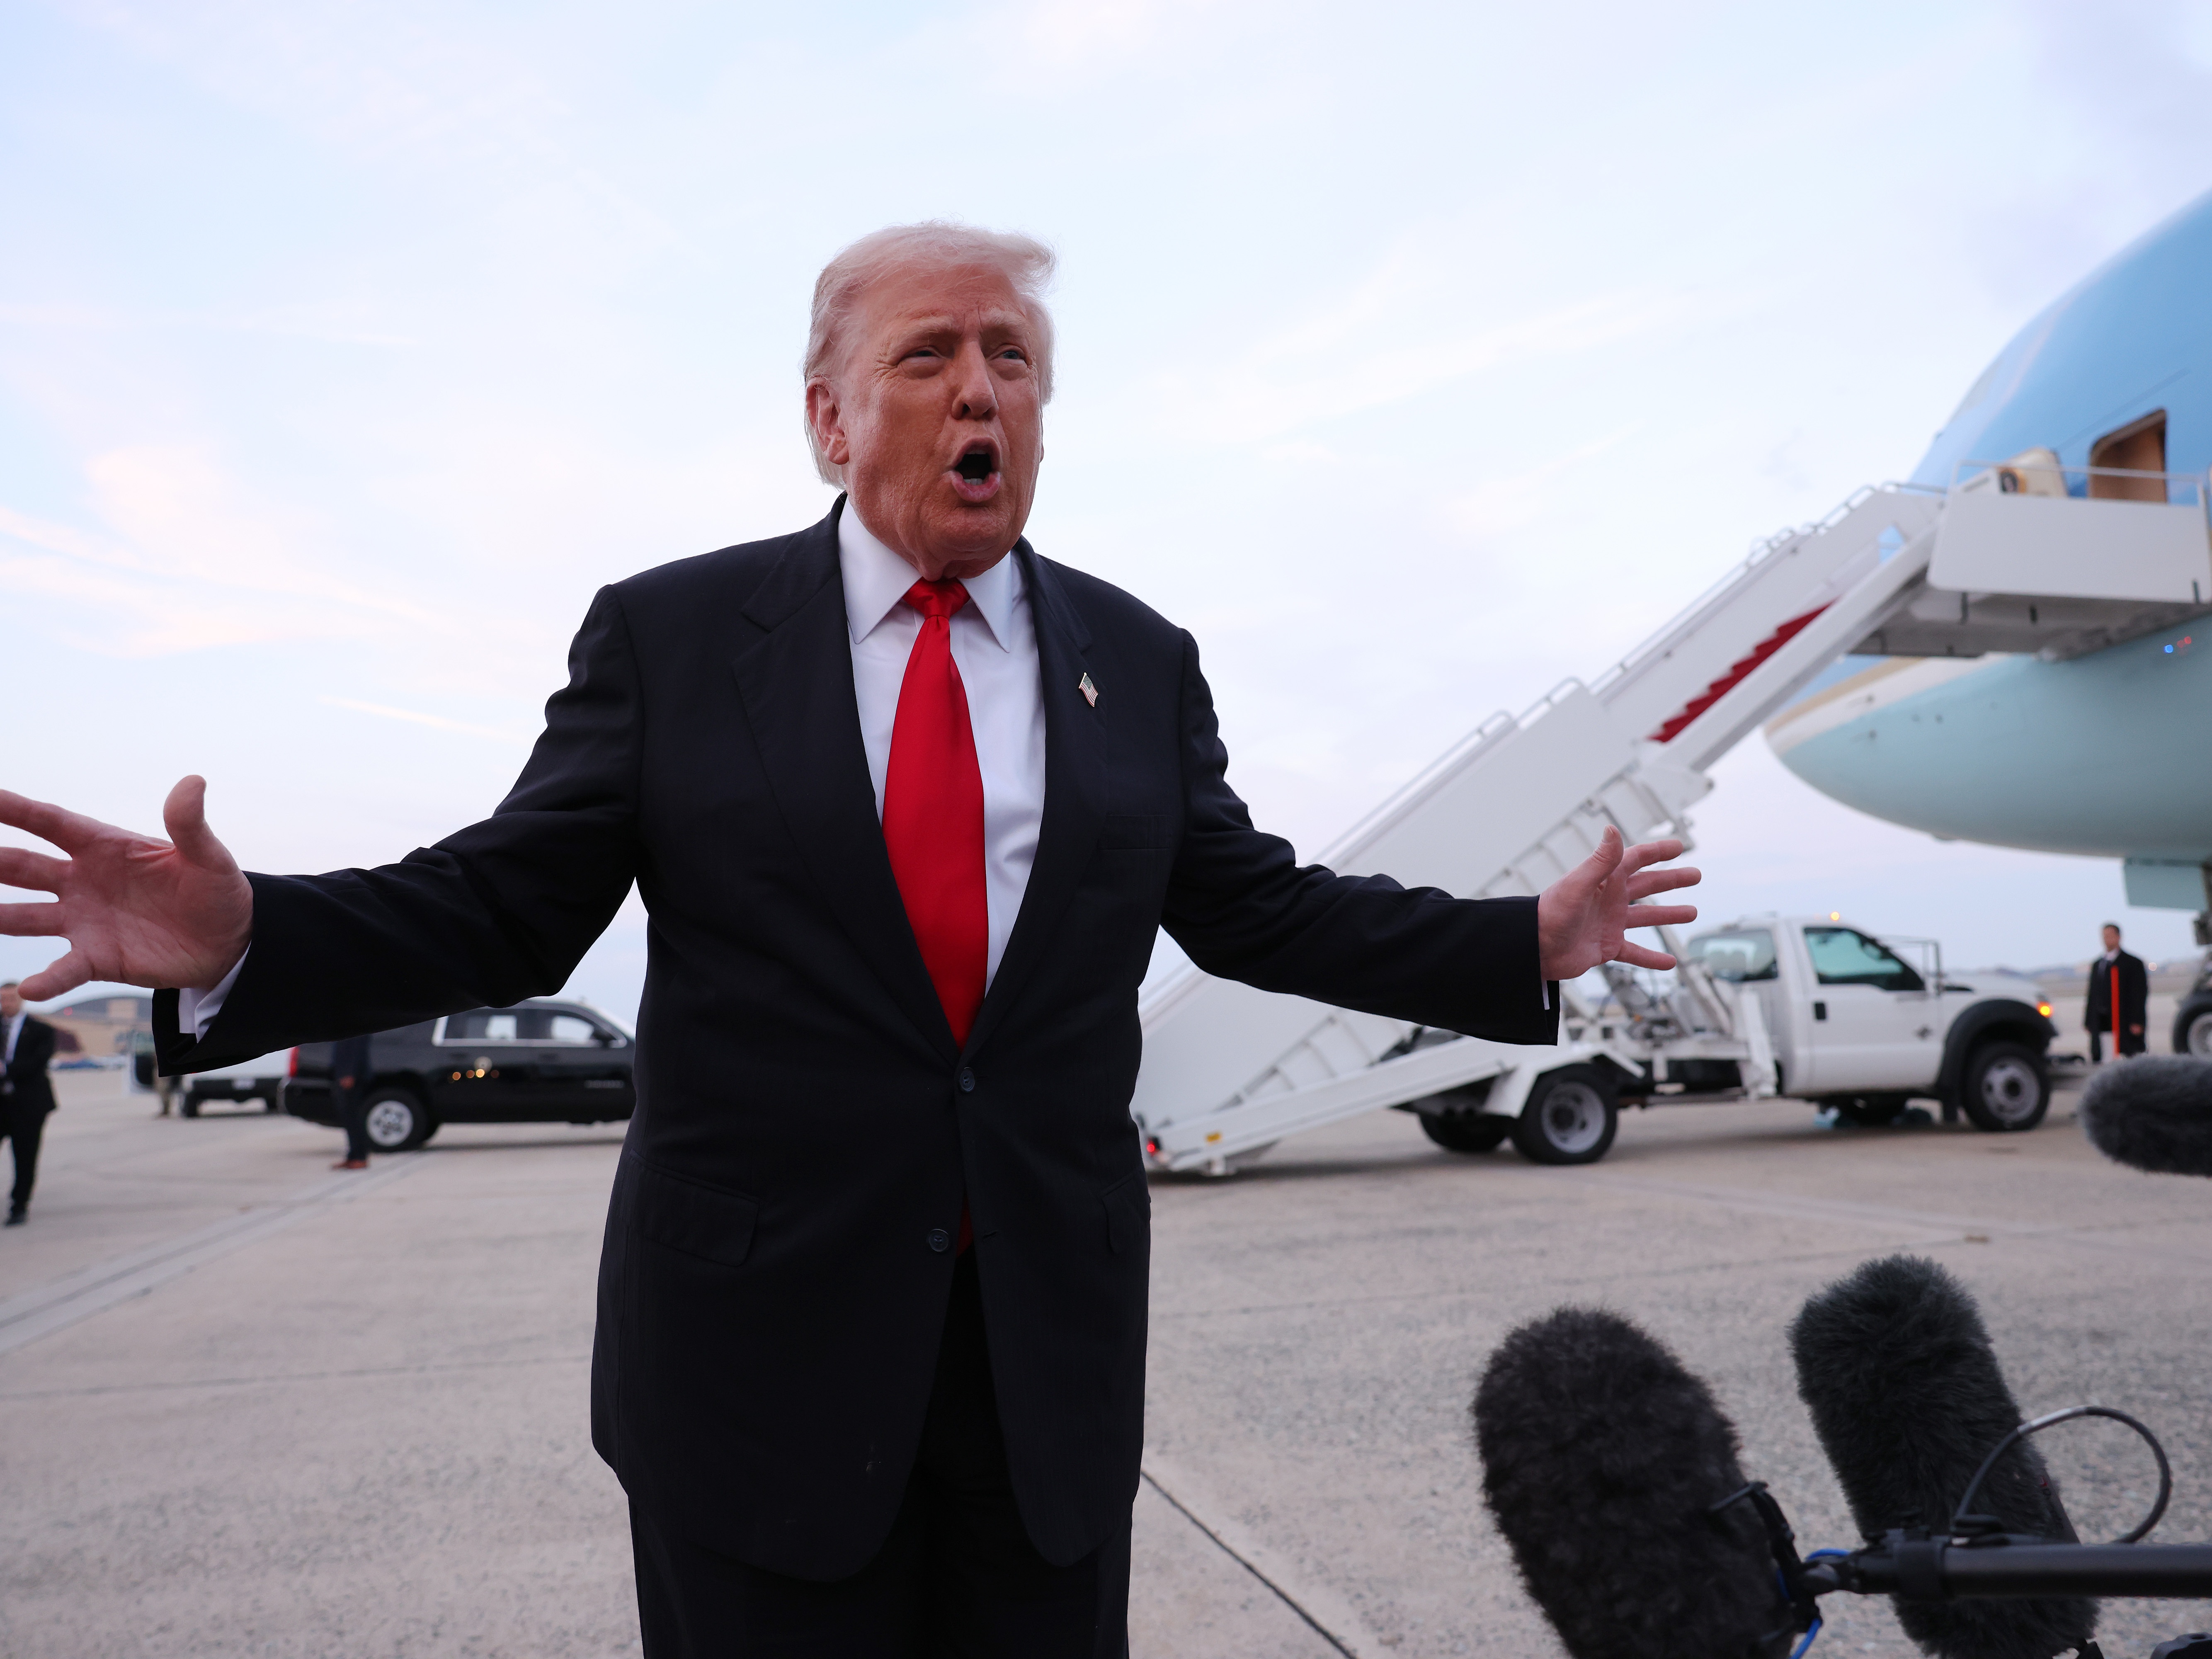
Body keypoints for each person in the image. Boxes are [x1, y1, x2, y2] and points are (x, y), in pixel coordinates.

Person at [0, 223, 1700, 1657]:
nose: (981, 387)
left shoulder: (1136, 655)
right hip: (753, 1361)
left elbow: (1254, 900)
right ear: (827, 417)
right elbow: (504, 899)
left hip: (1040, 1360)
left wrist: (1516, 944)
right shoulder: (674, 638)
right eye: (929, 354)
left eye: (1014, 358)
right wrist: (247, 934)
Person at [0, 980, 58, 1225]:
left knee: (25, 1158)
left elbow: (38, 1063)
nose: (7, 1004)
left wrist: (5, 1070)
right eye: (2, 999)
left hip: (28, 1105)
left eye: (11, 998)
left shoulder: (41, 1031)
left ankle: (19, 1205)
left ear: (21, 999)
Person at [2086, 921, 2149, 1062]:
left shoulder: (2133, 963)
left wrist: (2138, 1021)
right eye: (2104, 936)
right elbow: (2092, 994)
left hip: (2124, 1020)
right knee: (2104, 1055)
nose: (2106, 939)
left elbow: (2139, 994)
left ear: (2119, 937)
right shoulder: (2098, 964)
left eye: (2109, 936)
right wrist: (2089, 1020)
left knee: (2128, 1055)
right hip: (2102, 1021)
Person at [331, 1031, 374, 1169]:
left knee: (354, 1116)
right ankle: (353, 1155)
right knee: (348, 1116)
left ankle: (360, 1157)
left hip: (353, 1076)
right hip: (344, 1073)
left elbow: (357, 1047)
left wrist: (349, 1073)